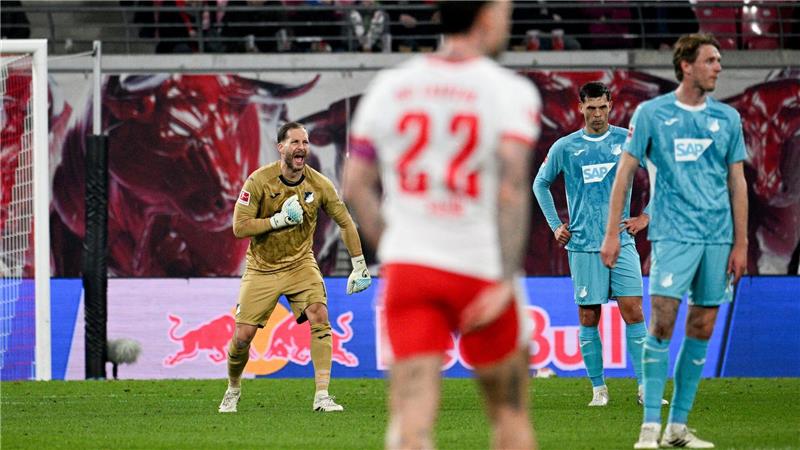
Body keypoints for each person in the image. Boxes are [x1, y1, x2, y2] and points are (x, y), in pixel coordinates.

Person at [342, 1, 541, 448]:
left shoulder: (392, 86)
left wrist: (396, 246)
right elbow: (510, 190)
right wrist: (506, 279)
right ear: (487, 16)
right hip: (480, 267)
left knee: (411, 419)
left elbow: (355, 185)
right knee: (509, 417)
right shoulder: (510, 91)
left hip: (411, 268)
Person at [600, 33, 748, 449]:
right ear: (686, 65)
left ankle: (678, 429)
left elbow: (737, 183)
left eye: (719, 60)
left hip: (717, 239)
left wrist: (741, 244)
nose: (719, 67)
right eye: (711, 60)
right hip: (672, 235)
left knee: (702, 325)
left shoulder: (727, 120)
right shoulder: (652, 114)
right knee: (662, 323)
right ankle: (649, 428)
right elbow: (624, 174)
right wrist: (611, 234)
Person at [218, 121, 372, 413]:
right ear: (281, 148)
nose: (302, 147)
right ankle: (233, 388)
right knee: (243, 337)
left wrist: (359, 264)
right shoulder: (258, 181)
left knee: (320, 315)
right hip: (262, 268)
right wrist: (277, 221)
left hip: (301, 264)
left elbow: (345, 221)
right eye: (295, 142)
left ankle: (322, 396)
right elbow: (239, 227)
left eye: (305, 142)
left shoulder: (319, 184)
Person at [533, 81, 668, 408]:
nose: (597, 114)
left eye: (602, 107)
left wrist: (645, 217)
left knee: (634, 311)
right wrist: (555, 226)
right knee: (589, 317)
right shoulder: (566, 147)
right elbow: (540, 184)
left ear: (611, 106)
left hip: (621, 242)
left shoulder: (627, 140)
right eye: (591, 108)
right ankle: (599, 390)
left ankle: (644, 389)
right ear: (581, 107)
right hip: (582, 246)